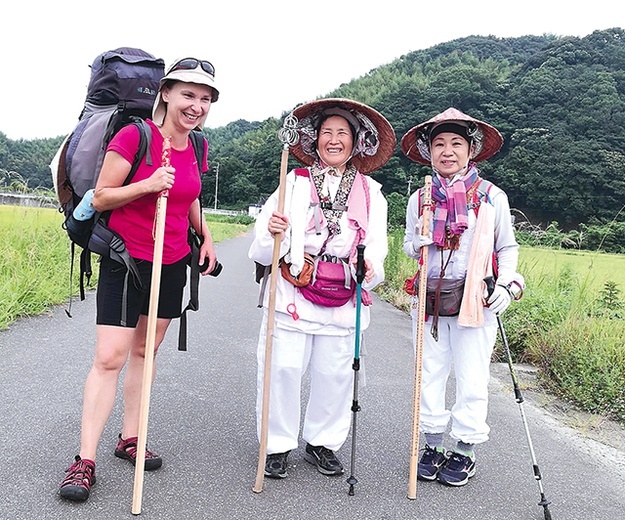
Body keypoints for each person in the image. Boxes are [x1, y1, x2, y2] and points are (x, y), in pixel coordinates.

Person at [59, 57, 220, 502]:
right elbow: (103, 195)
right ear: (165, 93)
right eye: (188, 94)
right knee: (110, 358)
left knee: (145, 353)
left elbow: (190, 195)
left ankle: (130, 438)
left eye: (205, 98)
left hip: (172, 263)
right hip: (126, 259)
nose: (196, 105)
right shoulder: (135, 137)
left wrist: (204, 237)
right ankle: (84, 461)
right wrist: (148, 185)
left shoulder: (198, 147)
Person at [248, 98, 395, 479]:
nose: (333, 140)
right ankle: (277, 444)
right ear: (314, 140)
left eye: (342, 133)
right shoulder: (292, 182)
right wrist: (272, 232)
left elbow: (377, 243)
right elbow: (261, 248)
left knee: (336, 373)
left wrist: (370, 266)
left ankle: (322, 442)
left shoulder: (371, 191)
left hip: (343, 294)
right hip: (295, 289)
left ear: (356, 141)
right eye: (326, 133)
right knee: (281, 367)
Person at [401, 107, 524, 487]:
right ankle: (433, 445)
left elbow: (507, 247)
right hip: (431, 299)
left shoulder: (491, 197)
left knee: (472, 377)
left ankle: (465, 450)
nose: (447, 151)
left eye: (456, 143)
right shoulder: (420, 198)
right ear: (429, 151)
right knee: (430, 374)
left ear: (471, 150)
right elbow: (408, 245)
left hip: (475, 299)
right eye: (439, 143)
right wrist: (415, 243)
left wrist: (504, 284)